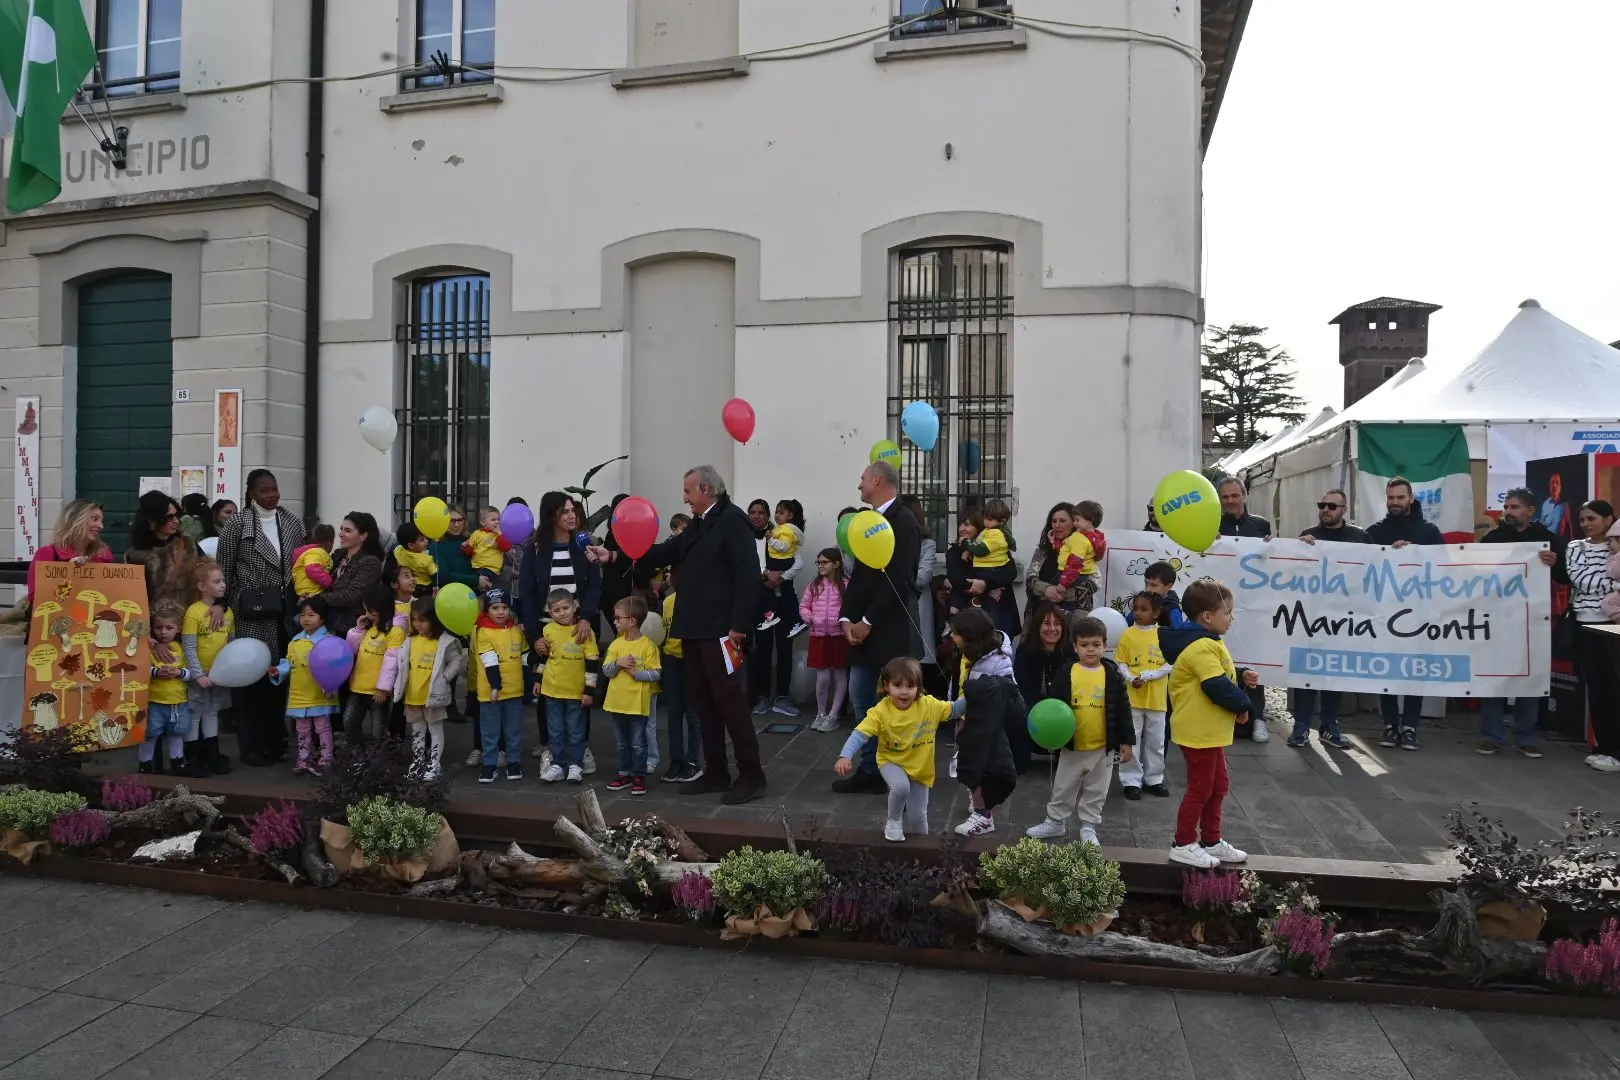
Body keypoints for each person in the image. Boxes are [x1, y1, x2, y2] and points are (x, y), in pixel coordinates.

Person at [592, 465, 766, 804]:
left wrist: (739, 627)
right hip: (694, 626)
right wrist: (613, 555)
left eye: (688, 491)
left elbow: (748, 576)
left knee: (729, 702)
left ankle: (751, 775)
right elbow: (665, 552)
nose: (684, 498)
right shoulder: (700, 523)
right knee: (703, 701)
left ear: (705, 489)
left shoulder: (733, 521)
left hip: (721, 629)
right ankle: (715, 771)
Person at [834, 459, 922, 796]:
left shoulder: (904, 521)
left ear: (876, 480)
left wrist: (867, 622)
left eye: (862, 479)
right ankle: (870, 770)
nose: (859, 485)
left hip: (890, 631)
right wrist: (846, 619)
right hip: (862, 634)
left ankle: (900, 771)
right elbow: (858, 578)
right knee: (861, 700)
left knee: (897, 706)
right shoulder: (868, 521)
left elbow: (899, 580)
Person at [216, 469, 306, 767]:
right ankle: (251, 746)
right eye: (264, 490)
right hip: (251, 613)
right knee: (251, 682)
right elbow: (224, 569)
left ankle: (275, 742)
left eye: (274, 489)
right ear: (252, 494)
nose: (271, 495)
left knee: (278, 679)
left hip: (285, 613)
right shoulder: (237, 524)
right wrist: (227, 603)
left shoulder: (291, 522)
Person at [1161, 579, 1253, 869]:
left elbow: (1220, 672)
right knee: (1201, 788)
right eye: (1227, 612)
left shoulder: (1208, 641)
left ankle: (1211, 840)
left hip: (1210, 731)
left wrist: (1241, 674)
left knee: (1218, 785)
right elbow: (1215, 685)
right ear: (1208, 616)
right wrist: (1243, 705)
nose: (1231, 618)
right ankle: (1183, 843)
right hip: (1198, 731)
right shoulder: (1201, 645)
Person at [1025, 613, 1135, 844]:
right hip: (1072, 746)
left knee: (1097, 790)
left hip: (1102, 747)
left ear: (1105, 645)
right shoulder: (1067, 672)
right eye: (1084, 645)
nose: (1090, 650)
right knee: (1063, 787)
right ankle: (1055, 821)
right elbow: (1054, 706)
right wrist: (1049, 734)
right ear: (1075, 647)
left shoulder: (1112, 675)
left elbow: (1123, 709)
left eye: (1096, 644)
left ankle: (1089, 826)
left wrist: (1127, 741)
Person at [835, 657, 964, 842]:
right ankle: (894, 821)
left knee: (918, 816)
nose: (904, 691)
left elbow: (955, 710)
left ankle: (923, 848)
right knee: (901, 787)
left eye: (910, 686)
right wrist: (845, 755)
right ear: (886, 686)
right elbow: (859, 734)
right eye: (897, 685)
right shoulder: (881, 711)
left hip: (920, 768)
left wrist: (974, 694)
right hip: (891, 762)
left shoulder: (929, 705)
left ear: (918, 687)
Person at [518, 492, 603, 774]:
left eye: (572, 511)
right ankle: (549, 748)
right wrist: (535, 636)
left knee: (580, 689)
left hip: (579, 629)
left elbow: (595, 585)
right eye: (565, 511)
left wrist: (586, 617)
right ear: (551, 515)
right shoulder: (535, 549)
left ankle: (580, 748)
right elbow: (526, 594)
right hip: (547, 631)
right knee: (547, 690)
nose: (571, 516)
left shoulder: (583, 544)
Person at [1476, 487, 1562, 759]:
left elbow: (1565, 577)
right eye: (1506, 507)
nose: (1508, 512)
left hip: (1532, 621)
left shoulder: (1547, 540)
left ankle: (1526, 737)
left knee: (1529, 677)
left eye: (1514, 507)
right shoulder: (1492, 538)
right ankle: (1491, 736)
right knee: (1495, 677)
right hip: (1498, 619)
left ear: (1531, 511)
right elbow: (1476, 573)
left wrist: (1555, 563)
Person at [1365, 476, 1444, 750]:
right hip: (1384, 614)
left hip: (1419, 615)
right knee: (1387, 670)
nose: (1395, 502)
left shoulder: (1430, 532)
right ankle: (1390, 725)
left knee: (1414, 672)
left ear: (1411, 499)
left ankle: (1410, 727)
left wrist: (1416, 554)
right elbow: (1359, 565)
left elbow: (1445, 566)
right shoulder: (1374, 532)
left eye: (1400, 497)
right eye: (1391, 498)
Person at [1293, 488, 1369, 749]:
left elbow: (1378, 564)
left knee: (1333, 674)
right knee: (1306, 672)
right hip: (1312, 618)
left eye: (1332, 506)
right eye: (1322, 505)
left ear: (1344, 510)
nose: (1326, 509)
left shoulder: (1359, 537)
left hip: (1343, 619)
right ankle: (1301, 726)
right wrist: (1299, 547)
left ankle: (1329, 725)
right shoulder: (1308, 535)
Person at [948, 608, 1020, 837]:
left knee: (982, 768)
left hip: (986, 726)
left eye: (956, 633)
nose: (952, 636)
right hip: (968, 719)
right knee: (968, 765)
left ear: (971, 635)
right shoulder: (968, 655)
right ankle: (977, 801)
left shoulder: (998, 661)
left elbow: (1008, 691)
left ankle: (983, 816)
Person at [1562, 499, 1620, 773]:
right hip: (1586, 628)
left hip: (1613, 626)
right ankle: (1604, 747)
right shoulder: (1576, 547)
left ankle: (1615, 751)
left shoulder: (1615, 545)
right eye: (1583, 519)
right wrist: (1614, 584)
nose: (1586, 524)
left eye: (1592, 518)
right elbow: (1581, 580)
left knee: (1614, 690)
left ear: (1608, 519)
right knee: (1597, 690)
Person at [393, 597, 466, 781]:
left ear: (434, 619)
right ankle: (418, 762)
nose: (417, 624)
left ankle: (434, 763)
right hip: (413, 695)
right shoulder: (410, 640)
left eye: (422, 620)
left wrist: (445, 677)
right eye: (414, 620)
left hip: (433, 696)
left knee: (435, 729)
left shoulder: (444, 641)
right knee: (417, 732)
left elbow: (456, 660)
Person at [270, 595, 339, 776]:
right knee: (302, 729)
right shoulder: (295, 641)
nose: (306, 619)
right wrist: (279, 671)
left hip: (319, 692)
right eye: (302, 615)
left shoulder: (328, 641)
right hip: (299, 692)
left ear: (322, 618)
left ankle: (326, 758)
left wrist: (331, 686)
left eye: (311, 615)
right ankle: (304, 758)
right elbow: (289, 663)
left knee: (323, 727)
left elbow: (335, 668)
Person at [537, 588, 600, 783]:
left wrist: (589, 690)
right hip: (552, 690)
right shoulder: (548, 630)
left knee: (575, 731)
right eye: (556, 610)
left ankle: (575, 764)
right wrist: (538, 680)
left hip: (576, 693)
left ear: (575, 606)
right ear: (550, 612)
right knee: (555, 731)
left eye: (565, 608)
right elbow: (545, 658)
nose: (562, 613)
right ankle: (557, 764)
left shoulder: (585, 631)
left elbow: (592, 661)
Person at [601, 595, 662, 796]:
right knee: (622, 743)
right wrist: (618, 663)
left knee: (638, 743)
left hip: (637, 703)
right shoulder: (615, 644)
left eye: (618, 618)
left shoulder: (648, 646)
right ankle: (624, 773)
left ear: (632, 621)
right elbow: (606, 671)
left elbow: (656, 673)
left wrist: (636, 673)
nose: (615, 621)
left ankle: (638, 775)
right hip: (617, 702)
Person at [1114, 592, 1171, 799]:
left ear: (1156, 613)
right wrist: (1131, 678)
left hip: (1156, 699)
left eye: (1144, 609)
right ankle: (1131, 781)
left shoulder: (1165, 634)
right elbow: (1120, 662)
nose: (1138, 613)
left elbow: (1171, 663)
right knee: (1132, 740)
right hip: (1132, 699)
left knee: (1156, 741)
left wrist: (1149, 676)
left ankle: (1154, 779)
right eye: (1135, 608)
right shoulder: (1128, 634)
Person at [752, 498, 806, 715]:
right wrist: (766, 574)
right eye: (752, 512)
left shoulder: (781, 534)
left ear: (768, 516)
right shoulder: (745, 537)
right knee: (763, 650)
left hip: (784, 598)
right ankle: (763, 697)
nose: (756, 516)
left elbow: (799, 562)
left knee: (785, 648)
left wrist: (782, 577)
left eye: (761, 512)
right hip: (761, 598)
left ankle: (782, 697)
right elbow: (745, 564)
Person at [181, 560, 234, 776]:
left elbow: (232, 645)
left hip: (217, 674)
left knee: (212, 712)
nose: (222, 585)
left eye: (223, 580)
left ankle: (212, 756)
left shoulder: (228, 614)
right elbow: (189, 646)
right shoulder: (193, 612)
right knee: (194, 713)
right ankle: (191, 759)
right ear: (202, 586)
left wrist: (228, 671)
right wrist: (197, 674)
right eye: (216, 581)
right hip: (199, 674)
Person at [471, 587, 529, 782]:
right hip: (490, 693)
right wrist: (495, 686)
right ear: (487, 610)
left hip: (514, 691)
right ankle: (490, 765)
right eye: (495, 608)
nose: (501, 612)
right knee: (490, 731)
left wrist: (539, 664)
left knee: (513, 731)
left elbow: (524, 656)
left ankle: (514, 763)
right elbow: (490, 661)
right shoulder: (483, 632)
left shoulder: (516, 631)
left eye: (504, 607)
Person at [343, 586, 403, 749]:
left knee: (378, 732)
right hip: (358, 688)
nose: (367, 615)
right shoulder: (368, 628)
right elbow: (350, 651)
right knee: (349, 722)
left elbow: (392, 662)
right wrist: (358, 630)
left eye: (371, 611)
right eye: (366, 610)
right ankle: (358, 756)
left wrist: (383, 689)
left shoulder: (395, 632)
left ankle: (377, 761)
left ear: (383, 609)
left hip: (378, 693)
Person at [1013, 602, 1071, 768]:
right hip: (1033, 712)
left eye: (1057, 624)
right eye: (1046, 623)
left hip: (1062, 713)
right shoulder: (1025, 651)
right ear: (1037, 627)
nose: (1052, 629)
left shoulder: (1070, 652)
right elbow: (1022, 688)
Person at [801, 547, 850, 733]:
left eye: (824, 562)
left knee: (839, 674)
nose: (820, 566)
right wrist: (811, 618)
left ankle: (833, 715)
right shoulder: (814, 585)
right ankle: (821, 713)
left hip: (839, 636)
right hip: (819, 636)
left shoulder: (845, 585)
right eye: (818, 562)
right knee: (822, 677)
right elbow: (804, 606)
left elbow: (851, 608)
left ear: (836, 564)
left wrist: (843, 622)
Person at [27, 499, 114, 604]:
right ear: (75, 520)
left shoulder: (104, 555)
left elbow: (111, 595)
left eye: (101, 521)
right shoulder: (47, 554)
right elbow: (36, 598)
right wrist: (69, 574)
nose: (101, 526)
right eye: (94, 519)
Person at [659, 572, 702, 783]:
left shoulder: (698, 599)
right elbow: (661, 632)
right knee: (674, 712)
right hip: (671, 660)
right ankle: (676, 760)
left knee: (694, 714)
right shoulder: (667, 602)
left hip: (693, 661)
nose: (672, 578)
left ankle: (693, 761)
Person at [141, 599, 192, 775]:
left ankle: (178, 764)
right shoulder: (148, 649)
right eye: (158, 627)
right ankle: (145, 765)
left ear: (178, 628)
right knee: (150, 735)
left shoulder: (182, 649)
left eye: (169, 628)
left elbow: (192, 672)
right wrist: (156, 672)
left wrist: (179, 673)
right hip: (154, 701)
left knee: (176, 734)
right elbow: (140, 670)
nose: (163, 632)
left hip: (178, 702)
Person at [126, 490, 200, 607]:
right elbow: (134, 595)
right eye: (170, 517)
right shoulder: (136, 555)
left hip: (190, 612)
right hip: (158, 616)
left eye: (176, 516)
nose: (176, 521)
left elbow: (206, 575)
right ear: (152, 521)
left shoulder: (187, 542)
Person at [325, 512, 385, 639]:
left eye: (347, 530)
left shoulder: (370, 563)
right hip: (326, 623)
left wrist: (319, 598)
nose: (341, 534)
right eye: (341, 529)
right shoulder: (337, 556)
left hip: (351, 629)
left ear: (363, 536)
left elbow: (351, 596)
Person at [899, 495, 939, 673]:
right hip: (893, 605)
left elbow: (922, 577)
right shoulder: (889, 541)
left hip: (917, 601)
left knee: (916, 658)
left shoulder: (927, 544)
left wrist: (895, 581)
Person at [1055, 500, 1108, 612]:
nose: (1074, 523)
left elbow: (1075, 562)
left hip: (1072, 576)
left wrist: (1063, 583)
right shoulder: (1094, 536)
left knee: (1066, 602)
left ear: (1090, 520)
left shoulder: (1080, 539)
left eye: (1077, 520)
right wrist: (1056, 544)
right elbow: (1069, 548)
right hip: (1083, 574)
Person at [1025, 502, 1079, 610]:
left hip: (1071, 613)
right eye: (1054, 521)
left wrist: (1061, 594)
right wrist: (1046, 589)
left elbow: (1093, 583)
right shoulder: (1042, 552)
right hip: (1039, 612)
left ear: (1074, 523)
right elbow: (1030, 579)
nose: (1057, 525)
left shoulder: (1082, 552)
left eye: (1062, 521)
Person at [430, 504, 484, 592]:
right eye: (452, 521)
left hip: (477, 592)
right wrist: (476, 580)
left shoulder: (471, 540)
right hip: (453, 594)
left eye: (460, 520)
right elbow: (444, 576)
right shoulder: (437, 546)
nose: (456, 524)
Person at [464, 506, 513, 580]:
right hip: (478, 567)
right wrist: (465, 546)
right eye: (493, 519)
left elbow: (506, 548)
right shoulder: (477, 533)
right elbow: (468, 552)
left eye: (498, 519)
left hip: (493, 570)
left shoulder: (500, 535)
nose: (497, 522)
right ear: (483, 522)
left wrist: (499, 533)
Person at [291, 523, 336, 599]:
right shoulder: (317, 552)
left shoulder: (311, 552)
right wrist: (328, 582)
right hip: (311, 591)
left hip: (305, 590)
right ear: (329, 542)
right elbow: (311, 568)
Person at [394, 523, 438, 597]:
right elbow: (435, 575)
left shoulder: (398, 550)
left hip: (408, 586)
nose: (426, 541)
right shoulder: (426, 560)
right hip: (425, 588)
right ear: (411, 545)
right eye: (422, 540)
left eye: (425, 537)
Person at [1142, 562, 1191, 628]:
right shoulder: (1142, 600)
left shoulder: (1172, 612)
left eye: (1154, 585)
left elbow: (1176, 633)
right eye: (1146, 583)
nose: (1148, 589)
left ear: (1169, 586)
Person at [1539, 472, 1574, 542]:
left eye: (1557, 482)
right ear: (1549, 486)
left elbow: (1569, 525)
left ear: (1560, 487)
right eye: (1552, 482)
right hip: (1547, 542)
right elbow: (1542, 525)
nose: (1554, 485)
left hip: (1560, 542)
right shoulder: (1544, 505)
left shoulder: (1565, 505)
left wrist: (1572, 542)